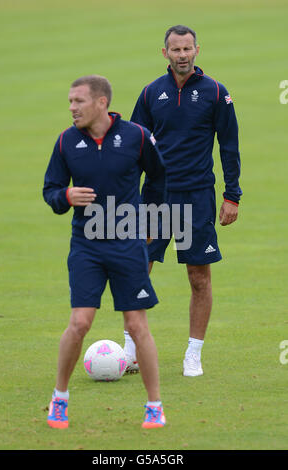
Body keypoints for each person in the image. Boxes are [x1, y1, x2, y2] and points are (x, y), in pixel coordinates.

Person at [43, 75, 166, 429]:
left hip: (127, 243)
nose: (72, 108)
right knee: (80, 322)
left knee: (136, 324)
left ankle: (154, 406)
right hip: (86, 245)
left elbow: (158, 178)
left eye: (78, 101)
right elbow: (51, 188)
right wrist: (65, 197)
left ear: (101, 103)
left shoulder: (136, 137)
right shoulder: (67, 141)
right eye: (70, 101)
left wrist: (150, 222)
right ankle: (60, 399)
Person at [124, 25, 242, 377]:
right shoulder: (150, 94)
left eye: (187, 48)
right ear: (165, 53)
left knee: (198, 277)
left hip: (196, 198)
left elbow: (230, 146)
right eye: (175, 49)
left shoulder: (216, 93)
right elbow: (133, 146)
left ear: (197, 50)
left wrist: (232, 195)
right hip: (155, 199)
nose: (182, 55)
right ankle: (130, 350)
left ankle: (193, 354)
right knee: (138, 269)